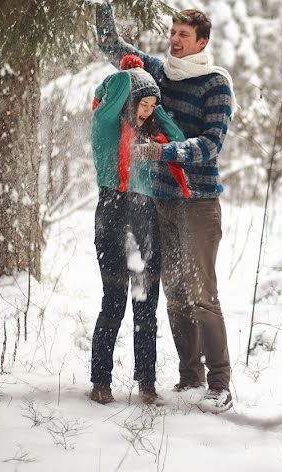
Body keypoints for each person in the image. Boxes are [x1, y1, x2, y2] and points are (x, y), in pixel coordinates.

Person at [96, 1, 238, 412]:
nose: (174, 40)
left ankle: (220, 383)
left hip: (198, 202)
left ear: (202, 42)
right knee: (173, 293)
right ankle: (189, 376)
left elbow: (210, 144)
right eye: (172, 32)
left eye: (184, 35)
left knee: (202, 294)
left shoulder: (215, 84)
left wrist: (164, 153)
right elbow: (112, 46)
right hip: (158, 202)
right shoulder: (156, 71)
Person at [89, 54, 189, 405]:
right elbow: (115, 89)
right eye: (142, 104)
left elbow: (176, 138)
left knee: (146, 301)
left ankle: (146, 381)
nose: (146, 112)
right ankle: (100, 381)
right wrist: (134, 75)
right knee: (113, 302)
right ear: (128, 99)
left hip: (145, 217)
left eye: (151, 106)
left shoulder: (149, 136)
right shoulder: (105, 124)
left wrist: (154, 102)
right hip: (112, 212)